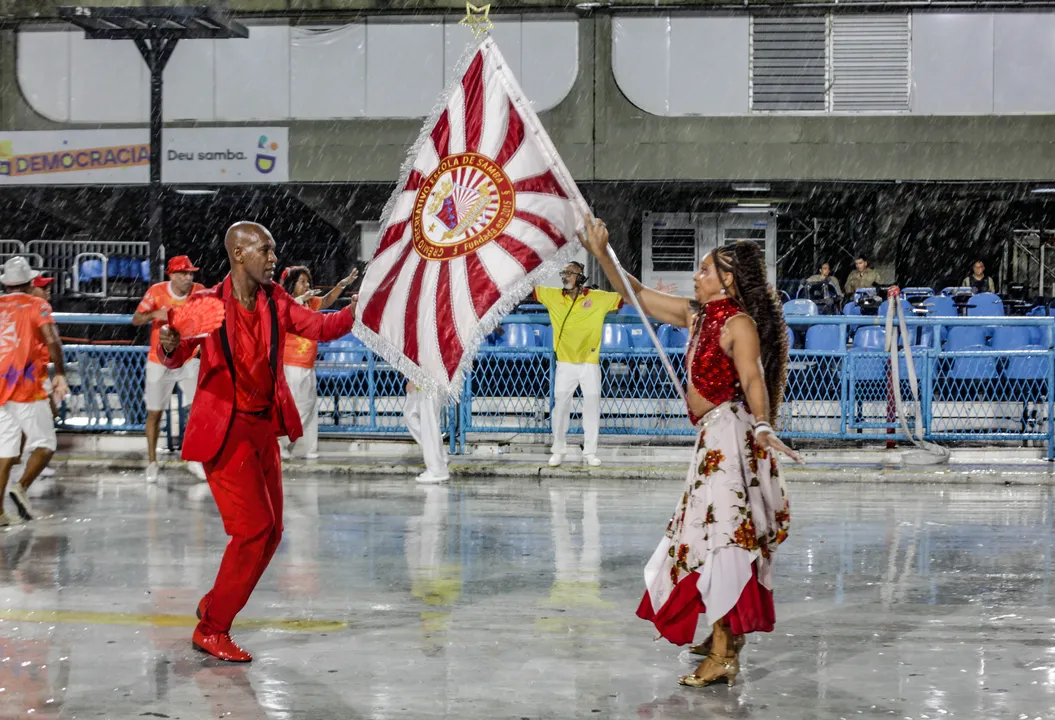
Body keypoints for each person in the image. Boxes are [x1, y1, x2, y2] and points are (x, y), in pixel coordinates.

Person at [579, 216, 798, 688]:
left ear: (728, 280)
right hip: (710, 443)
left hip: (731, 441)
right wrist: (602, 253)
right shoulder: (697, 316)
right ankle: (727, 638)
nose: (695, 277)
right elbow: (635, 293)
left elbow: (754, 378)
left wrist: (763, 425)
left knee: (722, 542)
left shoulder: (738, 323)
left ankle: (722, 653)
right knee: (709, 538)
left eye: (703, 270)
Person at [158, 221, 355, 662]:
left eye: (273, 250)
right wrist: (171, 344)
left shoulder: (275, 300)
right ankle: (211, 629)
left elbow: (321, 328)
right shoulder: (207, 305)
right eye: (265, 250)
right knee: (252, 532)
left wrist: (360, 311)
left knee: (272, 533)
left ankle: (215, 604)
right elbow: (173, 353)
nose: (273, 259)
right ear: (239, 255)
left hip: (263, 429)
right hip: (225, 434)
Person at [0, 258, 69, 524]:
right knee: (46, 443)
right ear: (30, 283)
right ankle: (21, 487)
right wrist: (60, 375)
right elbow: (52, 340)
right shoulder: (37, 305)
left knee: (5, 450)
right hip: (26, 384)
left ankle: (0, 513)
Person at [534, 261, 623, 467]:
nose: (565, 276)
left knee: (591, 406)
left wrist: (655, 292)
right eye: (563, 273)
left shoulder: (598, 298)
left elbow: (625, 297)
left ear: (581, 277)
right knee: (560, 409)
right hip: (564, 363)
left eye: (570, 273)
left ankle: (590, 452)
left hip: (589, 363)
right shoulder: (552, 295)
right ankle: (558, 450)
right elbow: (528, 288)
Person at [132, 256, 206, 483]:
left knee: (196, 411)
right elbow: (136, 319)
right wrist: (155, 314)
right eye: (184, 273)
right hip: (159, 360)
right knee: (155, 413)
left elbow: (209, 320)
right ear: (172, 275)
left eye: (190, 273)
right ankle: (152, 463)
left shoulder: (200, 291)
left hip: (188, 359)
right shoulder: (155, 292)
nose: (188, 277)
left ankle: (195, 459)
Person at [278, 265, 359, 460]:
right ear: (291, 284)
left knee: (310, 407)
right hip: (290, 366)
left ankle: (305, 449)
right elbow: (282, 313)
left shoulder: (309, 303)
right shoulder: (286, 305)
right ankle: (278, 443)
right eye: (301, 282)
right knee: (298, 407)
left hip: (307, 365)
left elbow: (326, 300)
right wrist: (300, 300)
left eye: (307, 282)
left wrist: (341, 285)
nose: (306, 285)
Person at [403, 381, 449, 483]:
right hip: (423, 381)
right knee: (410, 415)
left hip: (429, 381)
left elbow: (431, 365)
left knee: (429, 422)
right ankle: (438, 456)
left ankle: (437, 469)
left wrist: (414, 379)